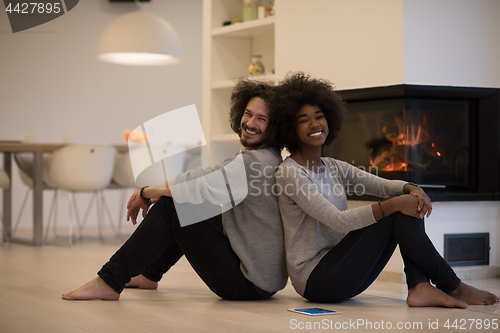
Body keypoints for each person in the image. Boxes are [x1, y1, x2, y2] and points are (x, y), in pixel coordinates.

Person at [273, 72, 499, 307]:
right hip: (316, 280)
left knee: (406, 200)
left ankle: (419, 286)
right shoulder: (290, 172)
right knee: (397, 208)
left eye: (319, 116)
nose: (314, 124)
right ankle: (453, 285)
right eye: (303, 120)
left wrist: (412, 188)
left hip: (341, 267)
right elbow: (337, 220)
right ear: (291, 128)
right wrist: (395, 203)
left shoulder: (332, 166)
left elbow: (380, 184)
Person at [62, 79, 287, 301]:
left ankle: (109, 280)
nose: (250, 122)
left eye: (261, 118)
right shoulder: (269, 157)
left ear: (274, 126)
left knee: (175, 206)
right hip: (263, 281)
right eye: (248, 113)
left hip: (247, 283)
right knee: (189, 202)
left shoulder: (252, 162)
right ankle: (147, 275)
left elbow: (199, 185)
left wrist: (147, 193)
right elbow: (204, 176)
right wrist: (150, 189)